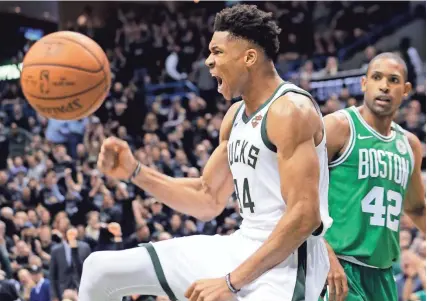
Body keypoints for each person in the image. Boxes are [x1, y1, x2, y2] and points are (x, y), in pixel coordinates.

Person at [78, 4, 332, 301]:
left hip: (287, 265)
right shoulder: (236, 115)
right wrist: (135, 172)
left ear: (249, 57)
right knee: (99, 270)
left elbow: (305, 216)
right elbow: (208, 197)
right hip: (242, 246)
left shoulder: (291, 111)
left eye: (217, 52)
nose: (209, 62)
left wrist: (231, 282)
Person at [323, 52, 426, 301]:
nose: (384, 86)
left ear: (406, 89)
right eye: (377, 77)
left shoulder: (409, 145)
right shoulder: (338, 127)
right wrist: (323, 254)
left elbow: (417, 208)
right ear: (364, 83)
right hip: (339, 267)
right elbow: (295, 194)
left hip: (383, 275)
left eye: (393, 80)